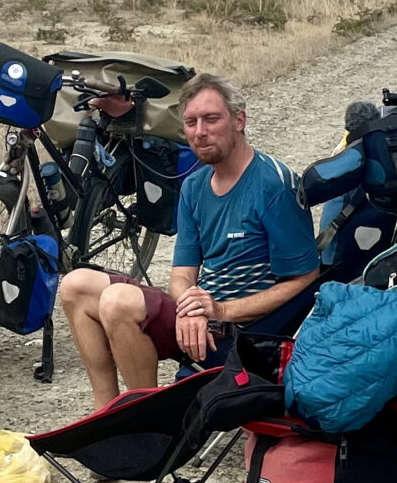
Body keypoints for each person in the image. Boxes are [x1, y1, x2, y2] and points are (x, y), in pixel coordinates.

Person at [58, 74, 319, 409]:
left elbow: (305, 278)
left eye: (212, 119)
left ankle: (146, 420)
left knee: (118, 301)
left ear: (239, 120)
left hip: (242, 334)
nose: (200, 131)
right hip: (200, 322)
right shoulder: (195, 186)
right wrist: (191, 309)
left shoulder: (273, 185)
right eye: (191, 122)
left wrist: (221, 311)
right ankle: (104, 412)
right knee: (75, 285)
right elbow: (182, 275)